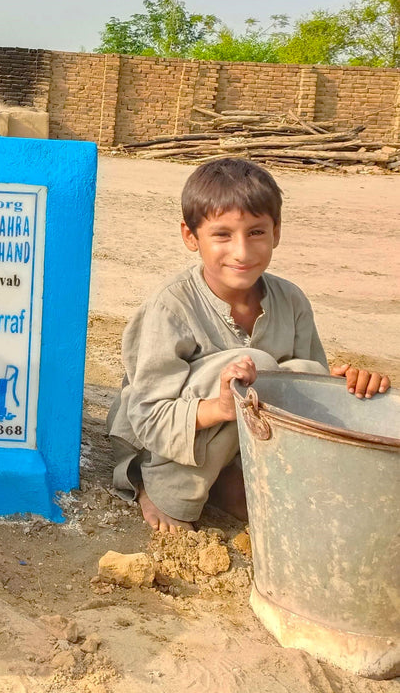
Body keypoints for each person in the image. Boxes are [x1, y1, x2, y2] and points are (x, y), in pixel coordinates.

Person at [106, 157, 390, 532]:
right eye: (222, 235)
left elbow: (306, 397)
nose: (242, 252)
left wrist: (340, 388)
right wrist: (222, 406)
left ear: (276, 232)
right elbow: (148, 418)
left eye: (256, 232)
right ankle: (165, 490)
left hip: (232, 442)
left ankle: (227, 478)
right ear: (191, 237)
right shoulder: (171, 305)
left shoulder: (291, 301)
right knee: (251, 365)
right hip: (161, 441)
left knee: (303, 373)